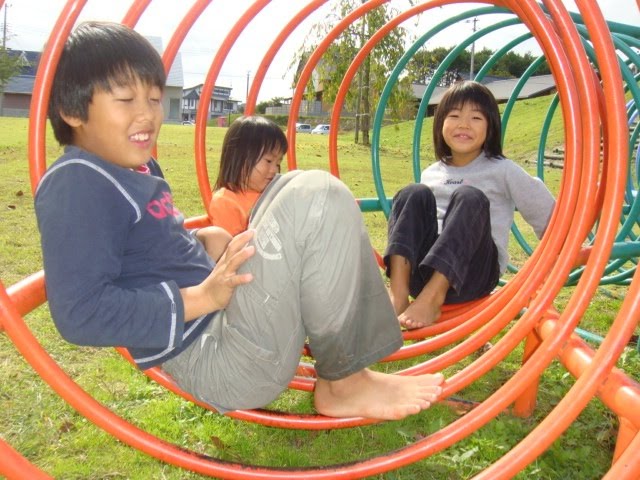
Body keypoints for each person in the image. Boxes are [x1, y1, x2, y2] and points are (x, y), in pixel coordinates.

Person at [36, 21, 444, 420]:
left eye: (155, 98)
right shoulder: (78, 180)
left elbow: (145, 250)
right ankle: (344, 385)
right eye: (126, 99)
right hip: (216, 355)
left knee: (291, 184)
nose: (147, 115)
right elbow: (81, 313)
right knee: (315, 194)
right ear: (72, 110)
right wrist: (204, 297)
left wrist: (203, 242)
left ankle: (349, 371)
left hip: (228, 323)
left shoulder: (133, 170)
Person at [384, 81, 555, 330]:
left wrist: (566, 247)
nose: (464, 124)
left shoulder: (502, 169)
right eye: (454, 116)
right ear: (440, 123)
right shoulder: (431, 173)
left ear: (490, 127)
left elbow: (547, 211)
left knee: (469, 197)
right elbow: (412, 225)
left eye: (476, 117)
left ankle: (433, 297)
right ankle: (398, 294)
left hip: (474, 274)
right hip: (422, 273)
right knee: (413, 192)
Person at [208, 115, 285, 236]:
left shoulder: (273, 193)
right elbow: (233, 246)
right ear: (240, 157)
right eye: (269, 161)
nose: (275, 170)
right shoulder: (226, 202)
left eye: (278, 163)